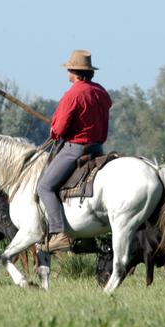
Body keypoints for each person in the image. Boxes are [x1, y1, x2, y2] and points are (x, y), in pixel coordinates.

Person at [37, 49, 112, 253]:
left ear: (73, 71)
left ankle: (59, 233)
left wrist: (54, 129)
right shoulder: (101, 92)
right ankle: (86, 237)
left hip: (76, 149)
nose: (67, 73)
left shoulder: (72, 94)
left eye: (68, 69)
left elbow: (59, 129)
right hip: (98, 148)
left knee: (45, 187)